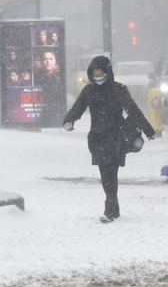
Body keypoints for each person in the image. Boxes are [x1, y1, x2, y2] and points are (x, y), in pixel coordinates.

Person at [62, 55, 156, 223]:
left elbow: (133, 110)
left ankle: (109, 209)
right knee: (106, 174)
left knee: (110, 172)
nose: (98, 77)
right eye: (95, 74)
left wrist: (148, 130)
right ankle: (114, 208)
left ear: (108, 73)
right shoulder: (89, 91)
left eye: (101, 74)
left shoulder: (119, 89)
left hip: (116, 137)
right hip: (98, 137)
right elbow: (78, 107)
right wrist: (69, 121)